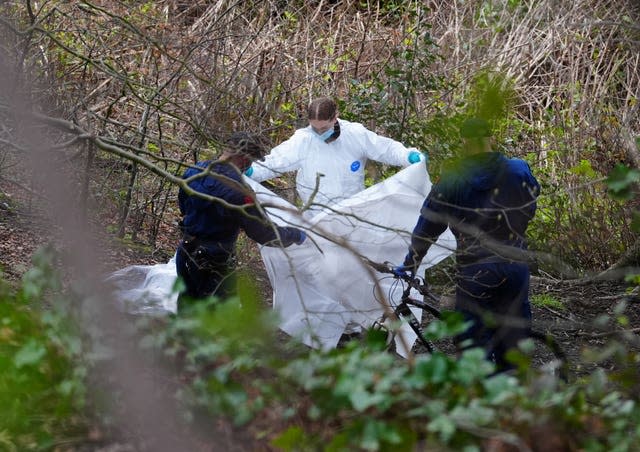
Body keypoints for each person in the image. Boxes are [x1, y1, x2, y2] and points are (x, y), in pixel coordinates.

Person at [394, 117, 540, 372]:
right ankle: (514, 396)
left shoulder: (453, 179)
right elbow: (530, 205)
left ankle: (482, 397)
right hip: (514, 262)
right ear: (491, 138)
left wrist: (410, 265)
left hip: (476, 268)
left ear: (464, 142)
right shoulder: (519, 169)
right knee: (513, 336)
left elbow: (428, 226)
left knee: (474, 342)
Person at [175, 131, 306, 312]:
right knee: (217, 316)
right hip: (213, 263)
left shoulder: (195, 170)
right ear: (245, 160)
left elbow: (183, 206)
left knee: (187, 305)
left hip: (185, 252)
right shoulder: (238, 191)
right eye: (251, 161)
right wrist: (295, 234)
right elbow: (264, 232)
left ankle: (181, 339)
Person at [245, 96, 426, 209]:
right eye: (315, 128)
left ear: (335, 116)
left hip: (352, 213)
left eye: (324, 128)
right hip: (316, 216)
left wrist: (408, 155)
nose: (319, 133)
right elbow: (276, 162)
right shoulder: (303, 140)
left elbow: (385, 149)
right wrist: (251, 171)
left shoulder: (355, 134)